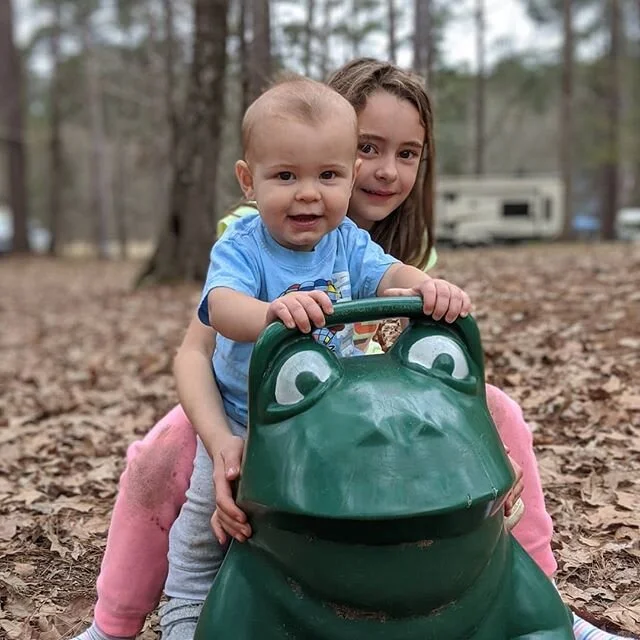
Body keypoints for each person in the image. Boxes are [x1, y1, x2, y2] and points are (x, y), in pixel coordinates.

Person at [73, 59, 626, 640]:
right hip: (258, 408)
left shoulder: (365, 247)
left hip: (360, 409)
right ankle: (119, 625)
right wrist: (228, 417)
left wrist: (433, 296)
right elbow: (198, 347)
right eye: (369, 148)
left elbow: (404, 308)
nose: (386, 171)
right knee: (166, 457)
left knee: (500, 411)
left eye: (407, 153)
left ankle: (541, 605)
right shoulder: (252, 234)